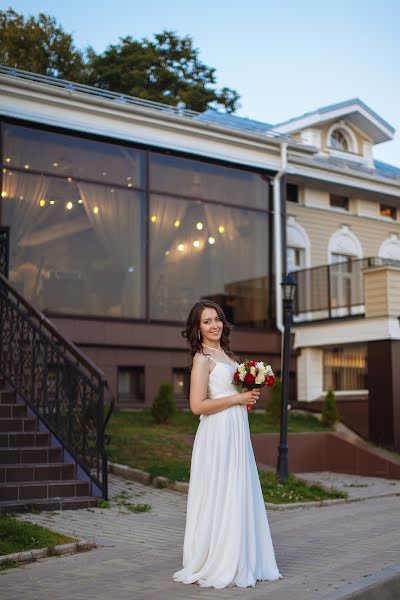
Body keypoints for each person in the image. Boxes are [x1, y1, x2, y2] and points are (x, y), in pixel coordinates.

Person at [173, 300, 282, 589]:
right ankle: (219, 561)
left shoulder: (227, 355)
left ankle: (241, 557)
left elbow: (228, 394)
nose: (215, 325)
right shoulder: (202, 359)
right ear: (197, 328)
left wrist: (247, 397)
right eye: (207, 321)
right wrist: (237, 399)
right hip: (217, 436)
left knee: (238, 490)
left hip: (236, 433)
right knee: (221, 492)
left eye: (217, 319)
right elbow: (197, 405)